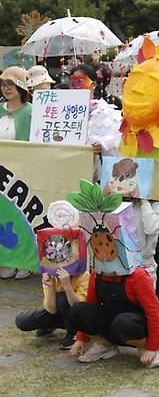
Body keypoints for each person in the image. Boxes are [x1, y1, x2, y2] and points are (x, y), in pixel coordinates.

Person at [68, 266, 159, 367]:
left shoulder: (138, 275)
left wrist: (152, 348)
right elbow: (91, 304)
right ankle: (105, 344)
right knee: (77, 310)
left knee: (122, 322)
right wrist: (81, 339)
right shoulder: (97, 274)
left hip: (134, 325)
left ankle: (143, 348)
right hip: (112, 323)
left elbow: (153, 313)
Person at [0, 66, 33, 279]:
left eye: (10, 84)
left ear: (21, 85)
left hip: (24, 172)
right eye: (3, 84)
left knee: (23, 217)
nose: (6, 88)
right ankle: (5, 259)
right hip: (1, 172)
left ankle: (25, 261)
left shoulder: (31, 111)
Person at [15, 268, 89, 349]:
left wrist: (67, 285)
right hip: (59, 312)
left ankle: (73, 333)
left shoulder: (83, 275)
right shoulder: (50, 275)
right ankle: (51, 326)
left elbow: (78, 307)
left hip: (78, 317)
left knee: (62, 299)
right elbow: (52, 310)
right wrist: (50, 286)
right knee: (22, 320)